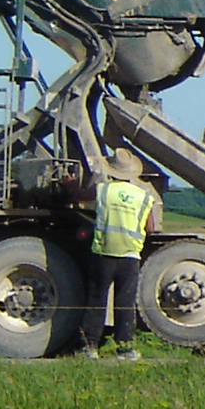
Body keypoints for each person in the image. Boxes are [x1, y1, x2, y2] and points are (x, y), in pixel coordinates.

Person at [79, 147, 161, 360]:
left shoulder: (103, 190)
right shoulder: (144, 197)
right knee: (125, 303)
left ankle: (90, 347)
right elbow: (151, 228)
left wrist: (69, 185)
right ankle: (125, 348)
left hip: (104, 253)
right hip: (130, 256)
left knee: (97, 300)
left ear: (112, 170)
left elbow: (79, 197)